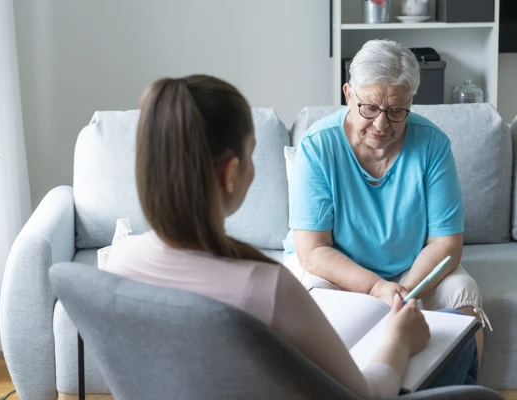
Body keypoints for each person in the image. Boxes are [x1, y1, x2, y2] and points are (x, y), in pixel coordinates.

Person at [103, 74, 478, 398]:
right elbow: (362, 393)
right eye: (252, 155)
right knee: (458, 347)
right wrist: (399, 339)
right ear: (232, 173)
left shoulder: (117, 263)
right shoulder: (267, 286)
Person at [282, 39, 489, 367]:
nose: (381, 124)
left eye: (396, 111)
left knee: (462, 293)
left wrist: (406, 289)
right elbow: (313, 250)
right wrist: (377, 287)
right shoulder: (318, 146)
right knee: (314, 302)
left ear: (411, 102)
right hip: (332, 266)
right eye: (370, 108)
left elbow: (446, 242)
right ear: (348, 94)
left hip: (411, 268)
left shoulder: (432, 144)